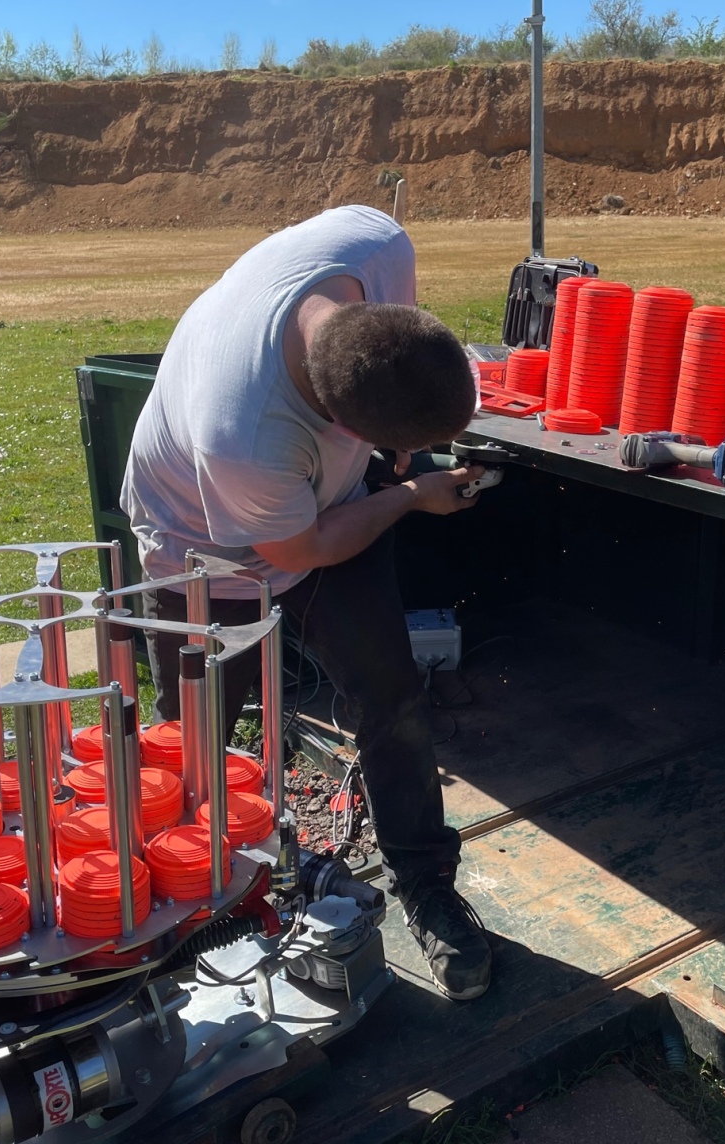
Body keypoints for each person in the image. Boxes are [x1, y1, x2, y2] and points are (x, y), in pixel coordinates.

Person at [121, 204, 492, 1000]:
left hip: (323, 502)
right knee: (194, 742)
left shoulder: (375, 245)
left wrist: (402, 450)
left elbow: (377, 407)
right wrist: (409, 496)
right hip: (205, 546)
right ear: (336, 422)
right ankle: (178, 903)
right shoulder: (245, 434)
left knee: (390, 697)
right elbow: (304, 550)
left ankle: (425, 882)